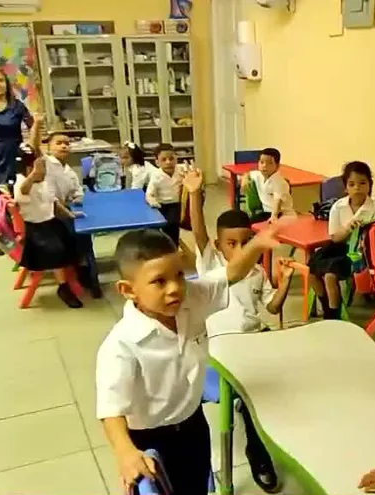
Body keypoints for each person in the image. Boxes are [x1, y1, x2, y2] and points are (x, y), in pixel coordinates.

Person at [96, 224, 283, 495]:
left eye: (179, 275)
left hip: (193, 424)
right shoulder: (121, 345)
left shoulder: (191, 298)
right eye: (159, 281)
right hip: (150, 438)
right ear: (127, 289)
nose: (174, 288)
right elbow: (110, 411)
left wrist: (257, 245)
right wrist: (126, 453)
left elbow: (231, 274)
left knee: (196, 485)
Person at [184, 167, 292, 493]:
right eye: (232, 243)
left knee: (278, 385)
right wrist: (193, 194)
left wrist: (285, 285)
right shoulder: (212, 267)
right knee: (248, 398)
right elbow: (199, 232)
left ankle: (274, 436)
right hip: (221, 351)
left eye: (248, 241)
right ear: (219, 246)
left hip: (254, 343)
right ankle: (258, 454)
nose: (241, 248)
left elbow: (271, 309)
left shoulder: (259, 273)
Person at [308, 161, 375, 320]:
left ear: (370, 185)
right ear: (346, 187)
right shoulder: (338, 206)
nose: (357, 188)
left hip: (359, 253)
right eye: (352, 184)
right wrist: (348, 228)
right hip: (338, 246)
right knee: (310, 271)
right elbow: (335, 237)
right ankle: (326, 306)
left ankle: (333, 315)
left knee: (330, 276)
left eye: (362, 183)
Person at [13, 142, 84, 309]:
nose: (44, 172)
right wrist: (33, 176)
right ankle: (63, 288)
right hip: (36, 230)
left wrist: (70, 214)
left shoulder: (42, 182)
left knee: (73, 239)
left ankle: (81, 272)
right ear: (28, 169)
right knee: (56, 249)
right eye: (39, 169)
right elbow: (22, 191)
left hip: (50, 223)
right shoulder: (22, 183)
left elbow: (53, 201)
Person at [241, 148, 294, 224]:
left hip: (282, 215)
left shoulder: (279, 182)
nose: (264, 165)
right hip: (266, 212)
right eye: (262, 162)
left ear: (277, 166)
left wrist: (274, 216)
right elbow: (248, 174)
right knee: (244, 222)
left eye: (270, 163)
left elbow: (277, 201)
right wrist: (244, 179)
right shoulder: (259, 175)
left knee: (251, 224)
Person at [145, 143, 184, 246]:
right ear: (157, 162)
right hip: (161, 204)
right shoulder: (156, 176)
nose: (168, 162)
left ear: (176, 159)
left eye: (171, 158)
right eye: (164, 159)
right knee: (154, 226)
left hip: (176, 204)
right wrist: (153, 202)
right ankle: (159, 245)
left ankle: (173, 246)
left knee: (173, 224)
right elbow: (149, 194)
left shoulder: (181, 171)